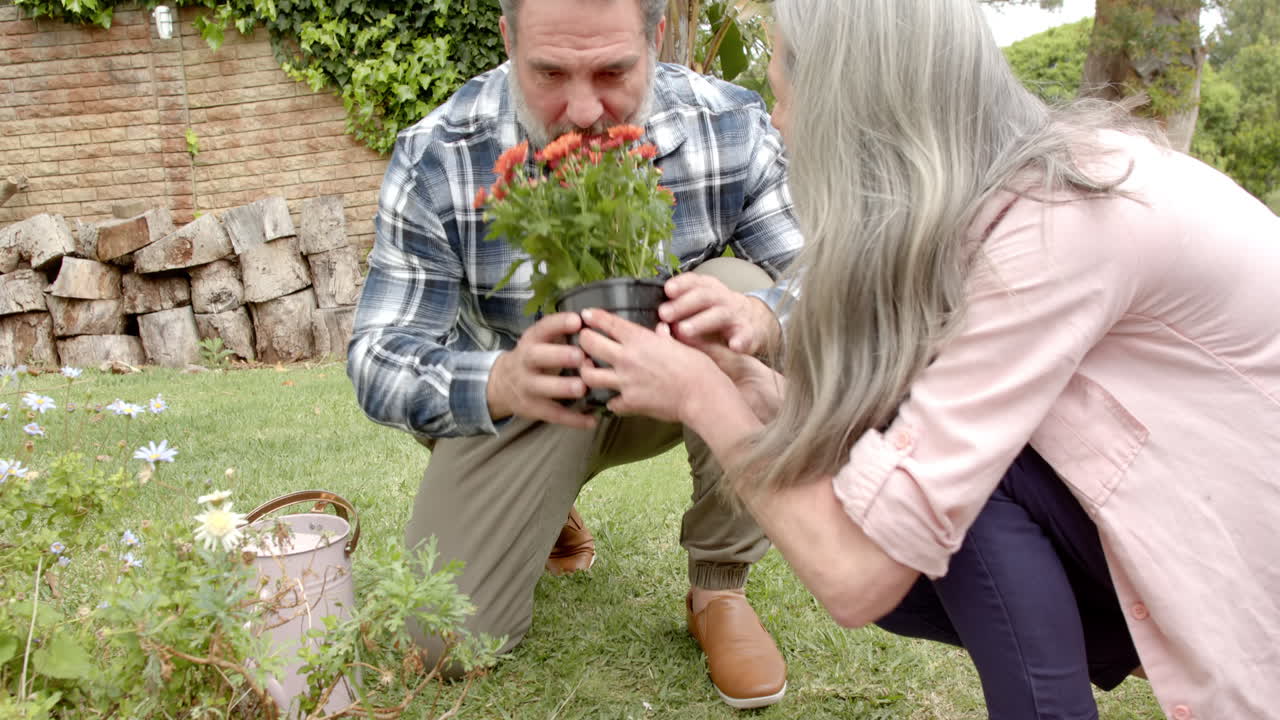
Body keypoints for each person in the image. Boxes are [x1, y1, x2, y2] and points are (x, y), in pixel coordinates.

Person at [574, 0, 1280, 718]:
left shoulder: (1057, 228)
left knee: (945, 494)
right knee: (904, 475)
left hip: (1248, 569)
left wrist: (702, 397)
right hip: (1186, 527)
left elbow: (855, 577)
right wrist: (753, 387)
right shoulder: (1010, 197)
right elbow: (891, 443)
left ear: (851, 97)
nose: (780, 123)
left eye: (783, 89)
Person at [346, 0, 803, 709]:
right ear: (508, 39)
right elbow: (378, 354)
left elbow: (825, 282)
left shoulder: (731, 123)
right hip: (529, 404)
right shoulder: (439, 150)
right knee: (443, 643)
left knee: (742, 288)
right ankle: (544, 502)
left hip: (672, 380)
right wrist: (499, 378)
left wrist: (761, 316)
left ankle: (718, 589)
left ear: (654, 38)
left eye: (614, 70)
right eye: (549, 72)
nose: (584, 110)